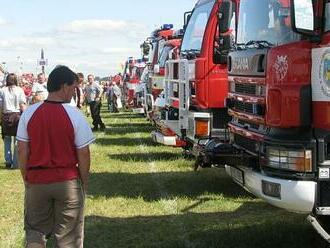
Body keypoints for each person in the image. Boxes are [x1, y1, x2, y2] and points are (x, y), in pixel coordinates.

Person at [17, 65, 95, 248]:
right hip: (67, 181)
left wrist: (26, 177)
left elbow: (22, 150)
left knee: (35, 233)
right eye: (73, 87)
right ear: (64, 86)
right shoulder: (74, 115)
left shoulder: (29, 113)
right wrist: (84, 182)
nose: (74, 92)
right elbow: (83, 153)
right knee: (68, 237)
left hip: (37, 180)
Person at [0, 73, 26, 169]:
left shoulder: (2, 90)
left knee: (6, 140)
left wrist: (1, 117)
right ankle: (16, 162)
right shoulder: (19, 90)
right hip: (17, 116)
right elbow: (22, 105)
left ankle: (8, 161)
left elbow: (0, 106)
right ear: (16, 80)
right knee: (16, 140)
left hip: (6, 116)